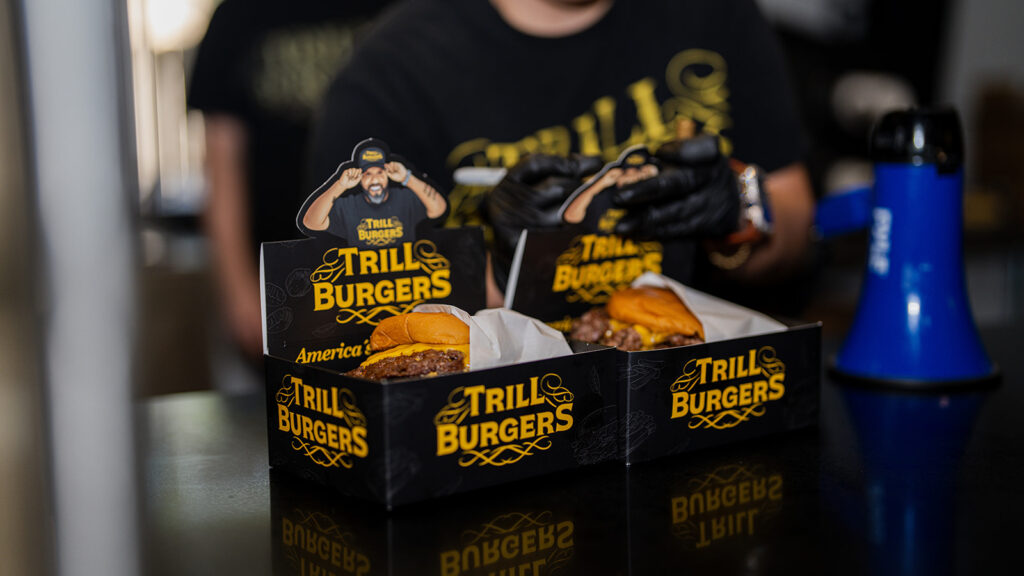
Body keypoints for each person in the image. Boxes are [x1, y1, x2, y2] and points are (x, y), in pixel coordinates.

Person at [308, 0, 816, 311]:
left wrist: (738, 215)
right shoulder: (391, 73)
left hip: (700, 404)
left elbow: (796, 217)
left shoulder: (714, 12)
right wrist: (496, 275)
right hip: (497, 426)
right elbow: (337, 303)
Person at [188, 0, 394, 360]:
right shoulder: (238, 15)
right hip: (282, 280)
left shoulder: (401, 10)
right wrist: (238, 288)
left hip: (390, 270)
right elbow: (221, 165)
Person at [299, 140, 447, 247]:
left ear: (387, 174)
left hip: (406, 282)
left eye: (380, 172)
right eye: (368, 174)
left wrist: (407, 178)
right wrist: (340, 185)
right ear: (360, 178)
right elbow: (312, 223)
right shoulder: (348, 206)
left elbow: (438, 209)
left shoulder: (405, 199)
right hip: (364, 285)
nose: (375, 179)